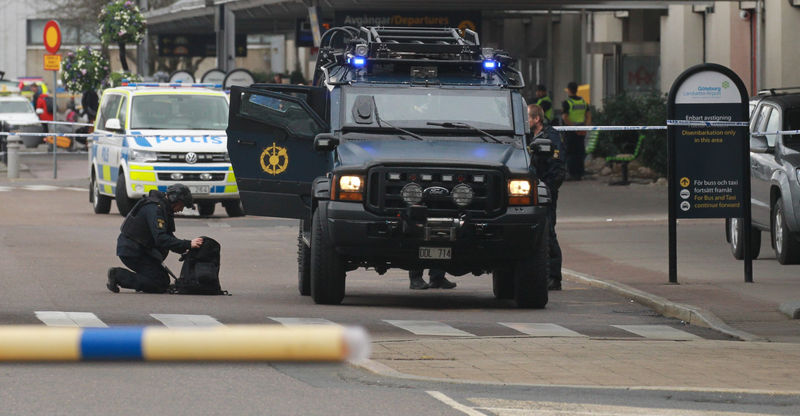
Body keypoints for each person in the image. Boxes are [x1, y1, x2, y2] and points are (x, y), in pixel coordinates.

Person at [107, 184, 204, 293]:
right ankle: (118, 275)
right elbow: (161, 239)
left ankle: (143, 280)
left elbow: (168, 236)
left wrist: (185, 248)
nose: (181, 209)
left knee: (162, 279)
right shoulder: (155, 209)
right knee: (159, 283)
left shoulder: (164, 208)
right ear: (175, 200)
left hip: (141, 249)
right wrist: (188, 244)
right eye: (182, 205)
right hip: (131, 251)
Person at [529, 104, 566, 291]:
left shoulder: (550, 137)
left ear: (536, 119)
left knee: (548, 231)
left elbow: (558, 167)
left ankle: (554, 276)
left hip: (546, 191)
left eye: (528, 118)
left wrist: (548, 190)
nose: (525, 121)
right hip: (530, 191)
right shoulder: (527, 136)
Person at [561, 82, 591, 181]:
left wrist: (574, 127)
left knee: (570, 152)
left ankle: (571, 173)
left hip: (571, 130)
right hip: (582, 129)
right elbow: (588, 116)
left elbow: (565, 117)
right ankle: (580, 173)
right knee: (580, 152)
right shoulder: (583, 102)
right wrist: (585, 127)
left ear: (569, 90)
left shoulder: (567, 103)